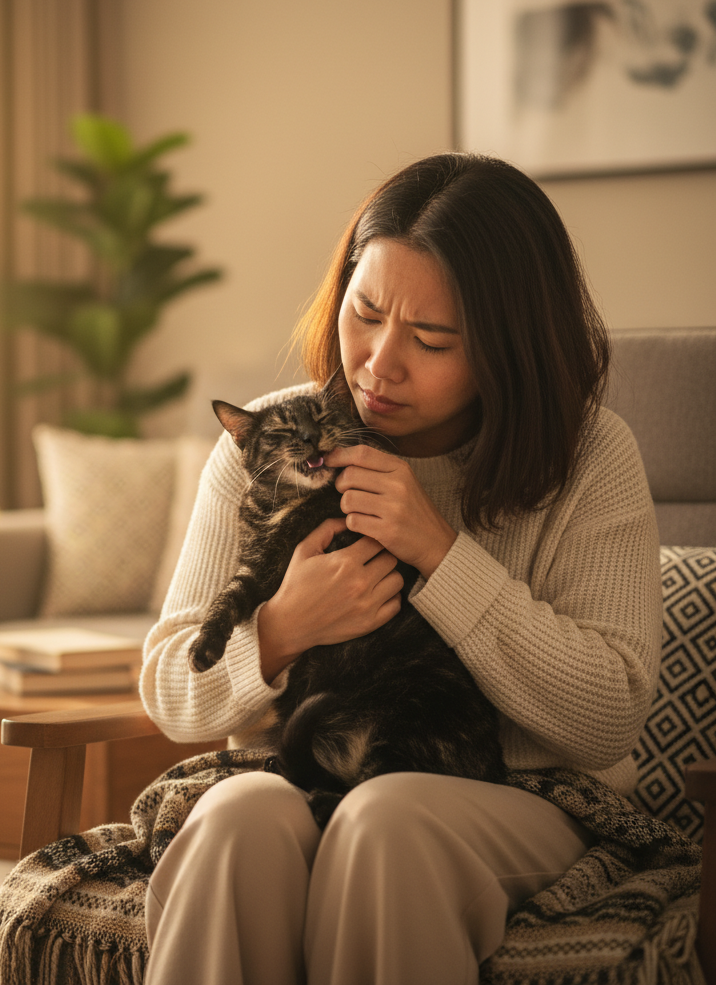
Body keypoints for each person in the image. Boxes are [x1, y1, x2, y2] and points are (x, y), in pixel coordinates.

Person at [137, 153, 662, 985]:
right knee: (237, 819)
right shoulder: (270, 439)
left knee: (386, 821)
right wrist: (281, 630)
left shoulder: (589, 457)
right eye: (366, 313)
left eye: (432, 339)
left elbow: (607, 718)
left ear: (510, 346)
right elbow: (170, 689)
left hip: (521, 798)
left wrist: (439, 553)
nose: (379, 364)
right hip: (292, 768)